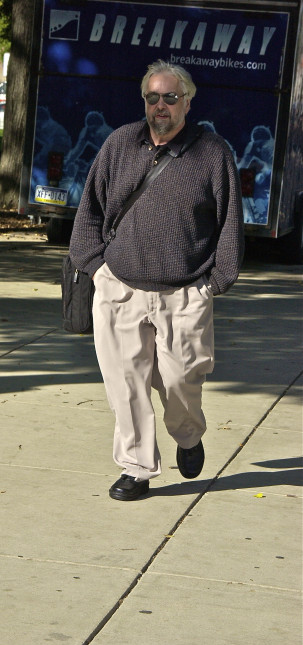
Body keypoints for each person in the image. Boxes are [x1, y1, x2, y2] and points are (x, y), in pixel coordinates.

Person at [69, 59, 244, 501]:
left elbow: (230, 223)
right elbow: (90, 210)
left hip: (184, 293)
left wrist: (215, 281)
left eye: (170, 97)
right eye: (152, 97)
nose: (160, 105)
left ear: (187, 101)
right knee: (125, 384)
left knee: (181, 380)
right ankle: (136, 467)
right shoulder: (119, 143)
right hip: (120, 289)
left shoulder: (212, 152)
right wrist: (96, 267)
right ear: (144, 101)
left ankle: (188, 434)